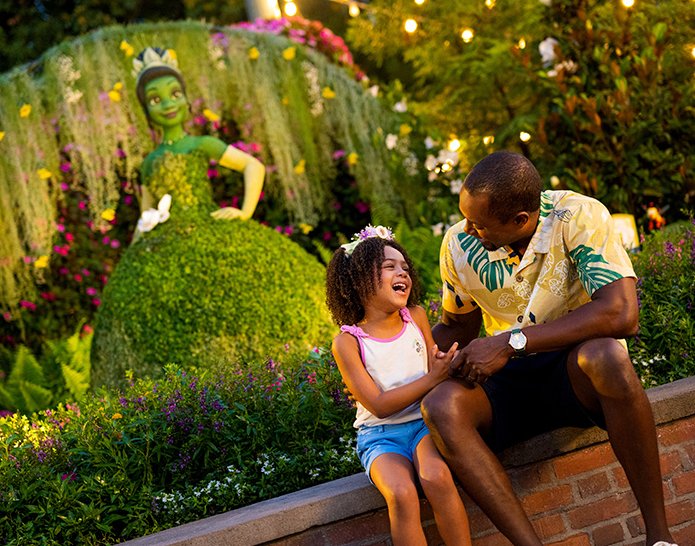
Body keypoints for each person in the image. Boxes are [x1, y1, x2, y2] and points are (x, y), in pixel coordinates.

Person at [422, 151, 678, 546]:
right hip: (507, 382)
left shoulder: (577, 215)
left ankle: (660, 538)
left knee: (609, 356)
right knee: (441, 406)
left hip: (570, 367)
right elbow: (459, 324)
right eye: (466, 218)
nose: (468, 230)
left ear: (520, 221)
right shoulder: (458, 245)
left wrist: (511, 343)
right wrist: (396, 354)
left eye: (479, 224)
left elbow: (622, 314)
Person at [91, 47, 330, 383]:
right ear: (147, 110)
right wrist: (133, 257)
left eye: (174, 94)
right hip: (163, 241)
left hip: (208, 224)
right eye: (156, 100)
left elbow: (252, 165)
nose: (168, 104)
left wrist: (244, 211)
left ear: (186, 99)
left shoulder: (199, 144)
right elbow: (146, 214)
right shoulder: (148, 163)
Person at [326, 225, 472, 546]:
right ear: (359, 280)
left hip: (423, 424)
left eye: (404, 267)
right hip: (379, 436)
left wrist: (445, 367)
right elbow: (377, 404)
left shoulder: (416, 317)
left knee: (437, 477)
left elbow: (435, 366)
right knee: (402, 493)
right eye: (389, 267)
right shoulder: (348, 342)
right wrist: (433, 376)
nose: (401, 272)